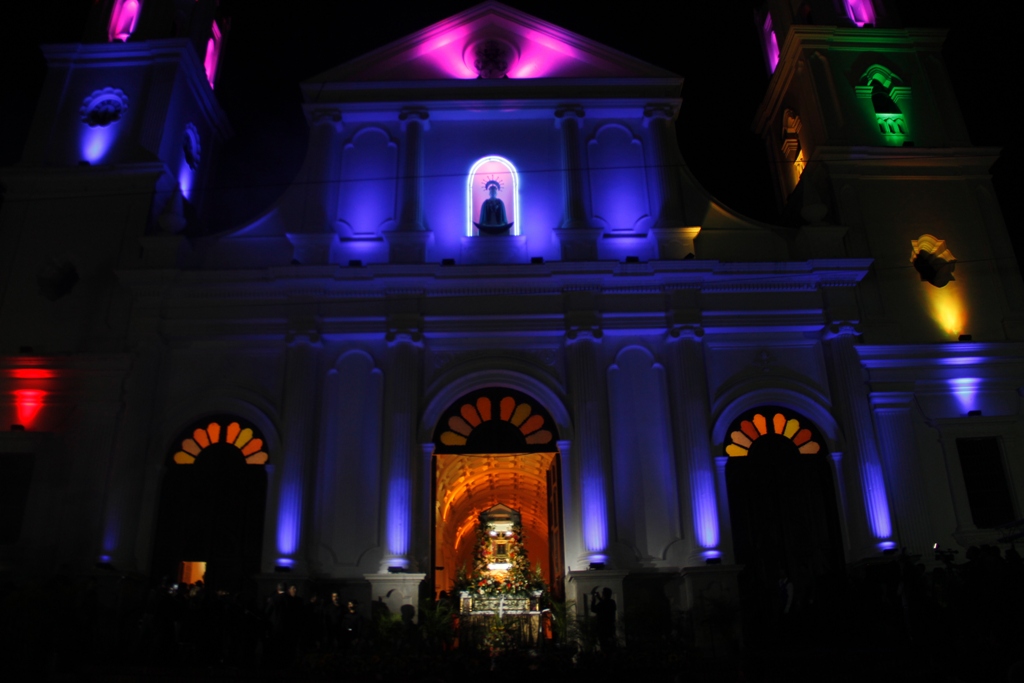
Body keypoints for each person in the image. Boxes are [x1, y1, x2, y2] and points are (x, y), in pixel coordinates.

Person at [591, 587, 616, 652]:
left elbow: (593, 609)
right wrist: (599, 598)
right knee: (611, 644)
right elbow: (605, 604)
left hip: (602, 627)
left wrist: (594, 599)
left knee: (604, 645)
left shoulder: (603, 603)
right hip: (610, 626)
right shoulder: (612, 602)